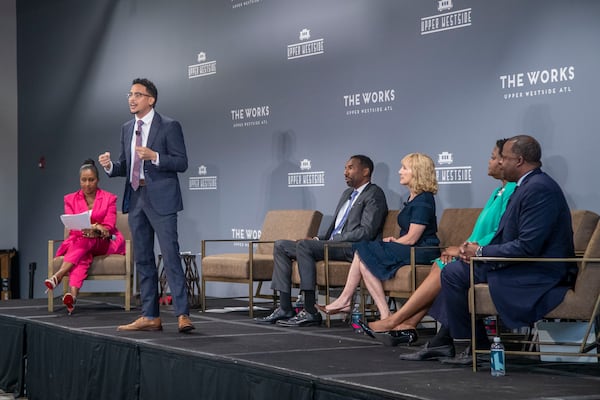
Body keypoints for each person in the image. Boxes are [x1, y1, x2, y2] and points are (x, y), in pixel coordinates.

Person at [403, 135, 575, 365]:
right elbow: (508, 237)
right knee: (454, 271)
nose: (500, 162)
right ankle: (457, 343)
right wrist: (475, 250)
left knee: (454, 273)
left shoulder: (539, 189)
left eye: (503, 157)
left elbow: (528, 246)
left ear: (520, 160)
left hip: (538, 270)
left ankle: (470, 346)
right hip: (518, 263)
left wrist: (481, 253)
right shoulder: (527, 186)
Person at [364, 140, 516, 345]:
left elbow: (500, 233)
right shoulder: (498, 192)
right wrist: (460, 248)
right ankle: (406, 325)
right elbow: (479, 232)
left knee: (443, 268)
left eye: (493, 157)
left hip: (489, 257)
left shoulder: (514, 192)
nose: (488, 162)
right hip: (475, 252)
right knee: (442, 264)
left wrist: (463, 250)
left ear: (505, 161)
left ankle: (396, 320)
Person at [98, 78, 194, 333]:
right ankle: (150, 315)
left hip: (161, 199)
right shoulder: (127, 128)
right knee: (143, 259)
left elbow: (182, 162)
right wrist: (109, 166)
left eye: (138, 94)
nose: (132, 98)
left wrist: (156, 157)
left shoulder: (169, 126)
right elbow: (124, 165)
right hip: (136, 198)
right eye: (130, 94)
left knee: (170, 256)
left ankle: (183, 314)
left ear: (150, 99)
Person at [255, 155, 388, 327]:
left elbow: (366, 232)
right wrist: (318, 239)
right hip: (333, 244)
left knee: (304, 246)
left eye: (350, 168)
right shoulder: (347, 194)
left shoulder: (374, 194)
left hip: (352, 248)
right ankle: (285, 308)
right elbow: (336, 226)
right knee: (281, 245)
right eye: (345, 168)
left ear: (365, 171)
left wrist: (336, 240)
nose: (345, 172)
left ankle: (309, 311)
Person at [318, 153, 440, 336]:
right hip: (408, 247)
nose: (400, 171)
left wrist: (396, 242)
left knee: (363, 250)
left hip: (422, 250)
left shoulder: (424, 199)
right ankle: (384, 315)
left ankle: (346, 300)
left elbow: (413, 238)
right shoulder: (413, 196)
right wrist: (395, 241)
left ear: (418, 172)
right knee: (364, 257)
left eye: (405, 168)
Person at [45, 159, 126, 314]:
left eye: (91, 180)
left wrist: (97, 229)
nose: (87, 184)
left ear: (97, 180)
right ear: (79, 180)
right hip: (81, 241)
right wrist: (87, 230)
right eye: (84, 180)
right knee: (84, 252)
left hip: (105, 242)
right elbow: (72, 226)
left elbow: (109, 226)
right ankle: (72, 297)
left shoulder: (109, 198)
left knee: (85, 242)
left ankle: (59, 275)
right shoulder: (69, 199)